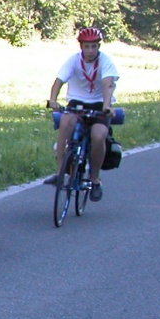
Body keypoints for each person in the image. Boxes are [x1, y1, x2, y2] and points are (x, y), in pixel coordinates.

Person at [47, 27, 118, 201]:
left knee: (99, 135)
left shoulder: (105, 62)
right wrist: (53, 100)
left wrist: (107, 107)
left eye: (94, 46)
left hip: (99, 103)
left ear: (98, 46)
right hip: (77, 102)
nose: (90, 51)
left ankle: (94, 180)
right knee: (65, 124)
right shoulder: (73, 60)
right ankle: (60, 172)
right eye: (87, 46)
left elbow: (108, 84)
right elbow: (59, 81)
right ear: (81, 47)